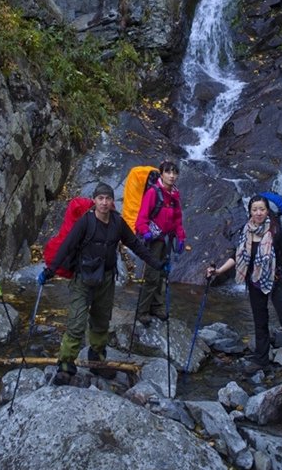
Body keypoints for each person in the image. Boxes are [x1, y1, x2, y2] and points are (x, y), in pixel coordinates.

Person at [37, 182, 170, 385]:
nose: (104, 203)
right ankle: (65, 366)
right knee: (76, 323)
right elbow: (67, 246)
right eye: (100, 198)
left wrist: (157, 264)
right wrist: (49, 271)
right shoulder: (85, 222)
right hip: (83, 279)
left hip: (106, 280)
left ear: (112, 202)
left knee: (101, 322)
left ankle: (97, 360)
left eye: (108, 198)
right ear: (95, 201)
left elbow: (135, 244)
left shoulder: (117, 223)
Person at [207, 194, 282, 375]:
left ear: (267, 211)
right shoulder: (245, 231)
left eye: (262, 209)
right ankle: (261, 360)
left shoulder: (275, 231)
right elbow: (237, 256)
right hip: (254, 283)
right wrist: (218, 271)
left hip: (276, 281)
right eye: (255, 209)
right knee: (260, 323)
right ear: (250, 211)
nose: (258, 213)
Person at [135, 161, 186, 326]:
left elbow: (178, 219)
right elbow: (141, 218)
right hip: (154, 240)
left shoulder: (175, 195)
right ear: (161, 174)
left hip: (167, 240)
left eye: (174, 173)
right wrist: (145, 233)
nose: (171, 176)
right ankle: (142, 311)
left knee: (163, 274)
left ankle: (156, 307)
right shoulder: (153, 193)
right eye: (168, 172)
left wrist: (181, 237)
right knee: (151, 275)